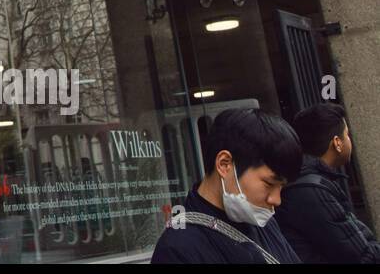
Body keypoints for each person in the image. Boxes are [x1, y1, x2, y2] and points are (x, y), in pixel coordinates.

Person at [152, 108, 300, 263]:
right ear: (224, 164)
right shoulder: (177, 248)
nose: (276, 200)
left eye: (281, 187)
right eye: (269, 183)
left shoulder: (264, 223)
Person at [276, 103, 380, 263]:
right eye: (347, 134)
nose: (349, 140)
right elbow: (361, 256)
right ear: (337, 143)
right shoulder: (311, 190)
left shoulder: (308, 181)